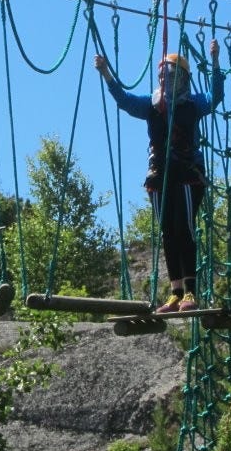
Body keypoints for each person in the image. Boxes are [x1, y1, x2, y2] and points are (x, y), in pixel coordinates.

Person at [94, 40, 224, 313]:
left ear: (184, 79)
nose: (167, 79)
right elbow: (125, 102)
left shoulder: (193, 104)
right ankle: (176, 293)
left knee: (183, 228)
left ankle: (190, 291)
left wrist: (214, 61)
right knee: (168, 232)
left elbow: (215, 97)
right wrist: (106, 73)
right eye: (164, 75)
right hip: (160, 177)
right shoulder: (153, 106)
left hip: (188, 174)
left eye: (173, 75)